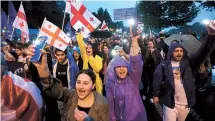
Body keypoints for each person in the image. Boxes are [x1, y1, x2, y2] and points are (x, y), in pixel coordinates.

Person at [27, 44, 109, 121]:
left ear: (93, 85)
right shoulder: (72, 95)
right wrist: (43, 69)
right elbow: (53, 89)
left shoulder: (102, 103)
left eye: (85, 83)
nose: (81, 86)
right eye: (78, 82)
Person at [153, 24, 215, 121]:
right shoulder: (164, 65)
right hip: (170, 103)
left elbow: (203, 52)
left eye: (181, 51)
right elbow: (157, 80)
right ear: (170, 52)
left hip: (185, 104)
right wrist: (156, 94)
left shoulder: (189, 63)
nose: (179, 53)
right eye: (176, 51)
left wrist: (211, 36)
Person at [106, 35, 148, 121]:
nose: (121, 69)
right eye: (118, 67)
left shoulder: (133, 79)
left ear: (127, 68)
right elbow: (110, 106)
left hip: (137, 118)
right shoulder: (110, 84)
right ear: (114, 69)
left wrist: (134, 41)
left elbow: (136, 64)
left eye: (124, 66)